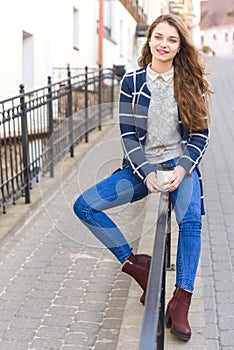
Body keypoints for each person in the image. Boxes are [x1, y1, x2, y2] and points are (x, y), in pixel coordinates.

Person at [73, 13, 212, 341]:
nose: (164, 44)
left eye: (172, 40)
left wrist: (182, 168)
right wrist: (147, 173)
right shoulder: (132, 82)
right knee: (85, 205)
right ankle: (138, 266)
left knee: (191, 222)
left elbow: (200, 136)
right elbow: (129, 136)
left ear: (179, 47)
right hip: (140, 169)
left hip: (179, 166)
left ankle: (181, 301)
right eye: (159, 37)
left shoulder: (189, 83)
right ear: (149, 40)